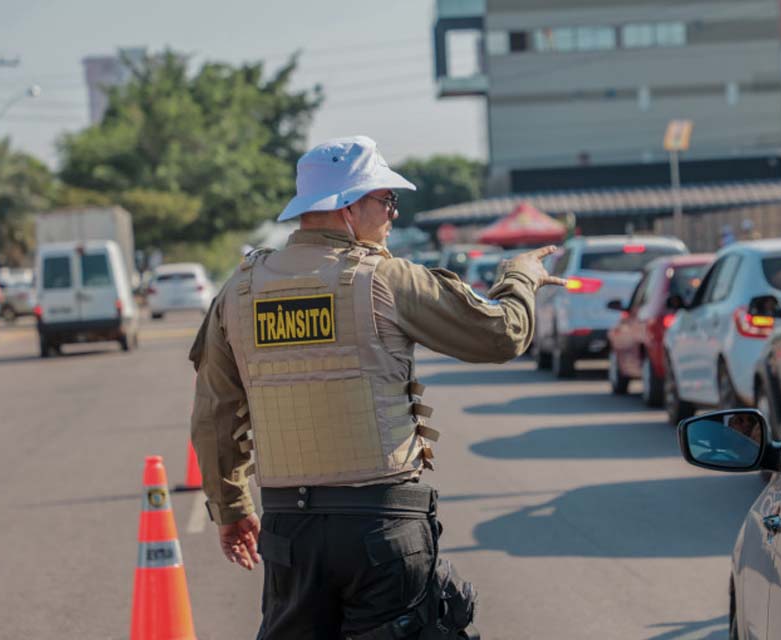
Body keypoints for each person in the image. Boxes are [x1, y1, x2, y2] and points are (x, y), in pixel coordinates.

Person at [190, 135, 566, 639]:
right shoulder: (387, 279)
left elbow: (214, 412)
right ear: (347, 206)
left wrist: (232, 509)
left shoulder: (237, 292)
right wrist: (520, 278)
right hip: (382, 530)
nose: (392, 214)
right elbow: (503, 335)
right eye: (386, 200)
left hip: (290, 533)